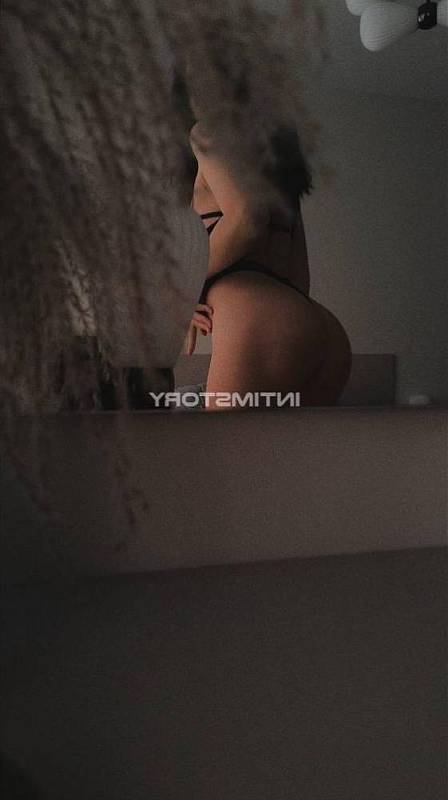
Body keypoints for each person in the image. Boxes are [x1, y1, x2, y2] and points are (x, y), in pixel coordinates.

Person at [186, 121, 352, 410]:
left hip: (257, 317)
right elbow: (298, 274)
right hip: (325, 331)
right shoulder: (280, 144)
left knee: (223, 441)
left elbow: (248, 219)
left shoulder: (208, 130)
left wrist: (183, 291)